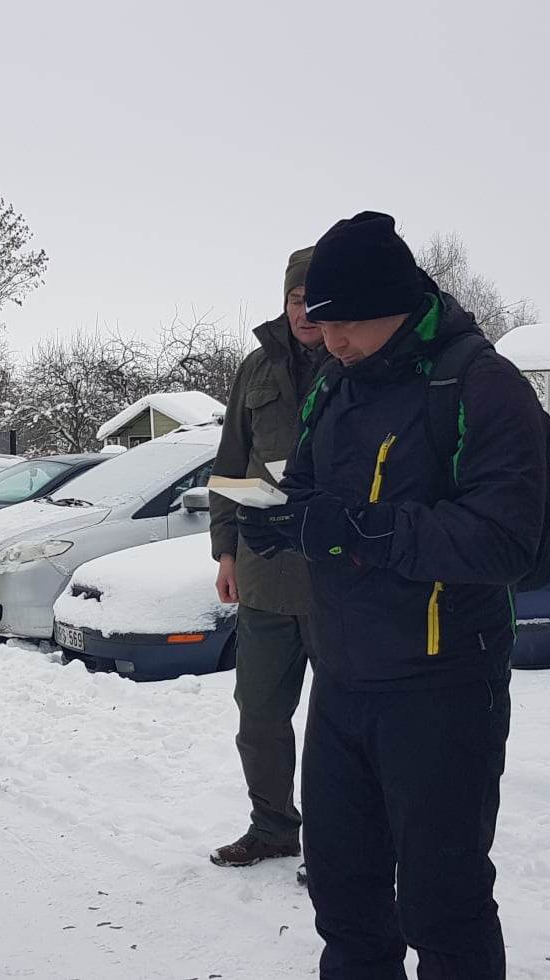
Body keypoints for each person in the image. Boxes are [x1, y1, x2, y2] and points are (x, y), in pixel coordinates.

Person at [238, 212, 550, 980]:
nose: (330, 339)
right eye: (320, 322)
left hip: (442, 688)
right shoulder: (334, 385)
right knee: (344, 899)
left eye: (344, 322)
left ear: (395, 305)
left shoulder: (482, 385)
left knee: (442, 905)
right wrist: (277, 515)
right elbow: (306, 487)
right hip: (343, 678)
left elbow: (511, 545)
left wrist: (351, 530)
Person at [206, 246, 328, 872]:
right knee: (258, 715)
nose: (304, 312)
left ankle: (338, 844)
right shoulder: (256, 367)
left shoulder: (358, 360)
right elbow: (231, 464)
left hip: (338, 579)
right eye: (295, 299)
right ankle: (274, 826)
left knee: (339, 726)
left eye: (315, 299)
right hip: (264, 575)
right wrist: (225, 551)